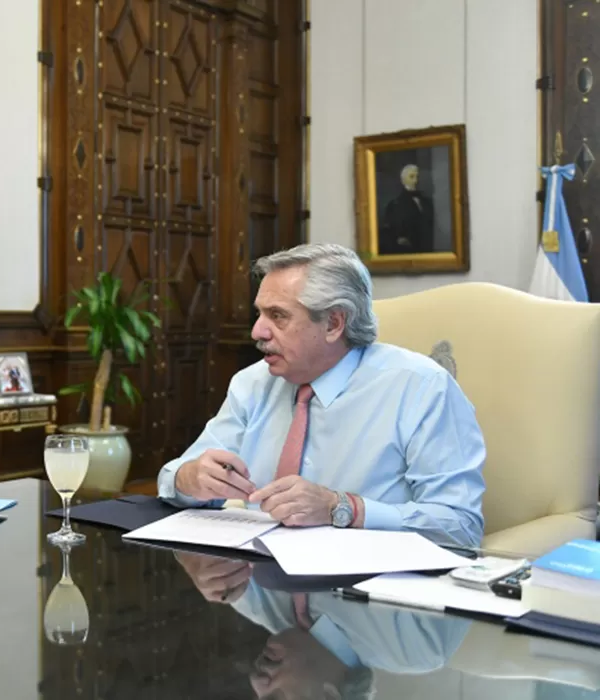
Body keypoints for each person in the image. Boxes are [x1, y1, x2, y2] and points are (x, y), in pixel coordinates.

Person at [157, 243, 485, 547]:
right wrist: (190, 478)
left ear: (333, 323)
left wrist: (341, 508)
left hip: (364, 590)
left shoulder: (421, 388)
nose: (257, 331)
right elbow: (176, 477)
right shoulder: (252, 383)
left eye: (278, 315)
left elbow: (461, 526)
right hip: (254, 581)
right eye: (260, 314)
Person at [173, 551, 468, 700]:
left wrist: (192, 559)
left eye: (258, 696)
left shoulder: (253, 603)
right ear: (328, 695)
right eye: (277, 698)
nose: (257, 682)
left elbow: (193, 522)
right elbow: (462, 551)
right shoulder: (419, 646)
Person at [379, 164, 436, 254]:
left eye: (417, 176)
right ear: (403, 180)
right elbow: (391, 233)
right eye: (411, 177)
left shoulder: (427, 202)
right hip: (407, 253)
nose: (416, 180)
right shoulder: (395, 205)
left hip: (428, 250)